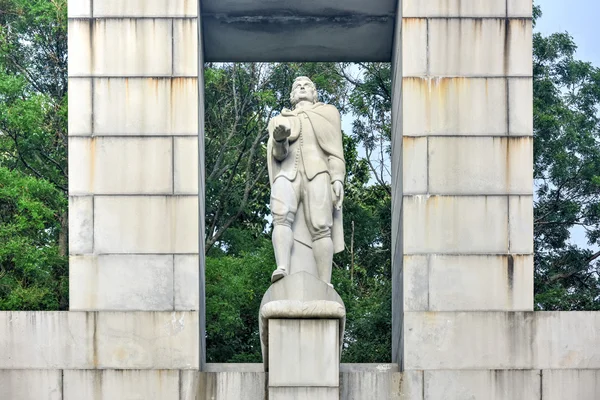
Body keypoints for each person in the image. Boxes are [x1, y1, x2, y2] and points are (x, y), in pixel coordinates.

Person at [266, 76, 345, 284]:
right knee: (280, 215)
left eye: (307, 85)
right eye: (297, 86)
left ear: (314, 93)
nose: (302, 87)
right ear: (292, 95)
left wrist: (338, 178)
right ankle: (282, 267)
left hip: (318, 172)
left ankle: (324, 281)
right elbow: (279, 155)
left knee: (321, 226)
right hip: (288, 172)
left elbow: (335, 151)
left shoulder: (329, 114)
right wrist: (280, 138)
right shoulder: (279, 120)